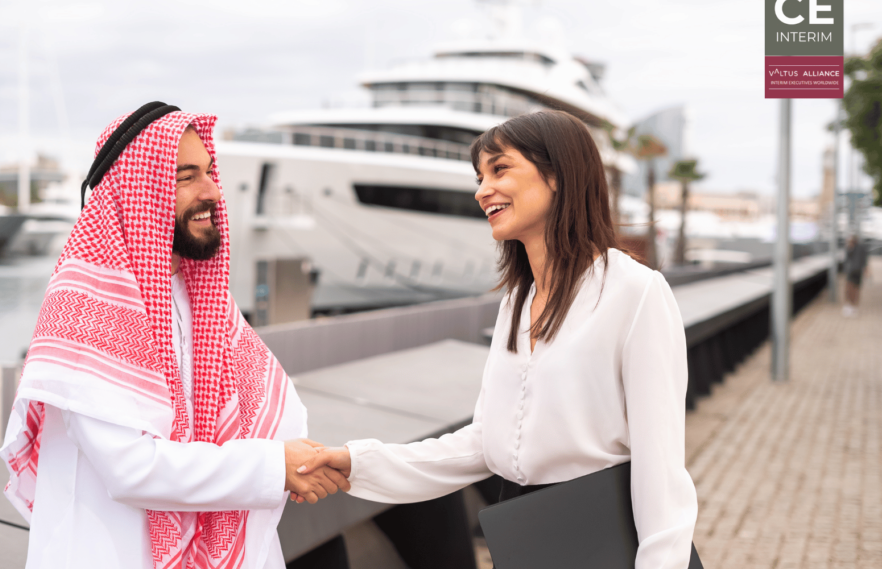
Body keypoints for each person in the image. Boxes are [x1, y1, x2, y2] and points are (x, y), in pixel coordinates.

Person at [298, 110, 699, 568]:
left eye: (500, 169)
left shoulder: (635, 291)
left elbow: (660, 468)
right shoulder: (518, 300)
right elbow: (488, 443)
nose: (481, 189)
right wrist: (357, 462)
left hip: (602, 539)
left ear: (557, 175)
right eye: (480, 175)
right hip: (528, 537)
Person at [0, 106, 348, 569]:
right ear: (139, 192)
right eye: (186, 178)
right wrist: (272, 467)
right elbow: (131, 469)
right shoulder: (87, 305)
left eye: (208, 172)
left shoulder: (201, 297)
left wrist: (304, 462)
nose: (213, 192)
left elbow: (275, 416)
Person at [843, 235, 869, 317]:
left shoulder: (851, 247)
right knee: (856, 289)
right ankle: (853, 306)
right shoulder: (862, 247)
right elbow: (864, 260)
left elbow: (847, 258)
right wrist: (865, 270)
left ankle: (850, 306)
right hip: (858, 271)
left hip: (852, 271)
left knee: (850, 288)